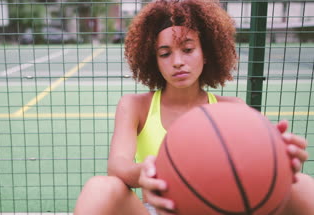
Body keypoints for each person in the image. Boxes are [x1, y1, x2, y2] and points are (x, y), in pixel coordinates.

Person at [74, 0, 314, 214]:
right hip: (157, 210)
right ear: (153, 61)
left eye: (188, 50)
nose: (178, 62)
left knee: (301, 184)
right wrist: (152, 171)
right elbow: (117, 164)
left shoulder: (232, 110)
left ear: (206, 53)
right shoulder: (136, 106)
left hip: (216, 209)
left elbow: (257, 171)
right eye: (165, 53)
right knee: (101, 187)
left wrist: (281, 160)